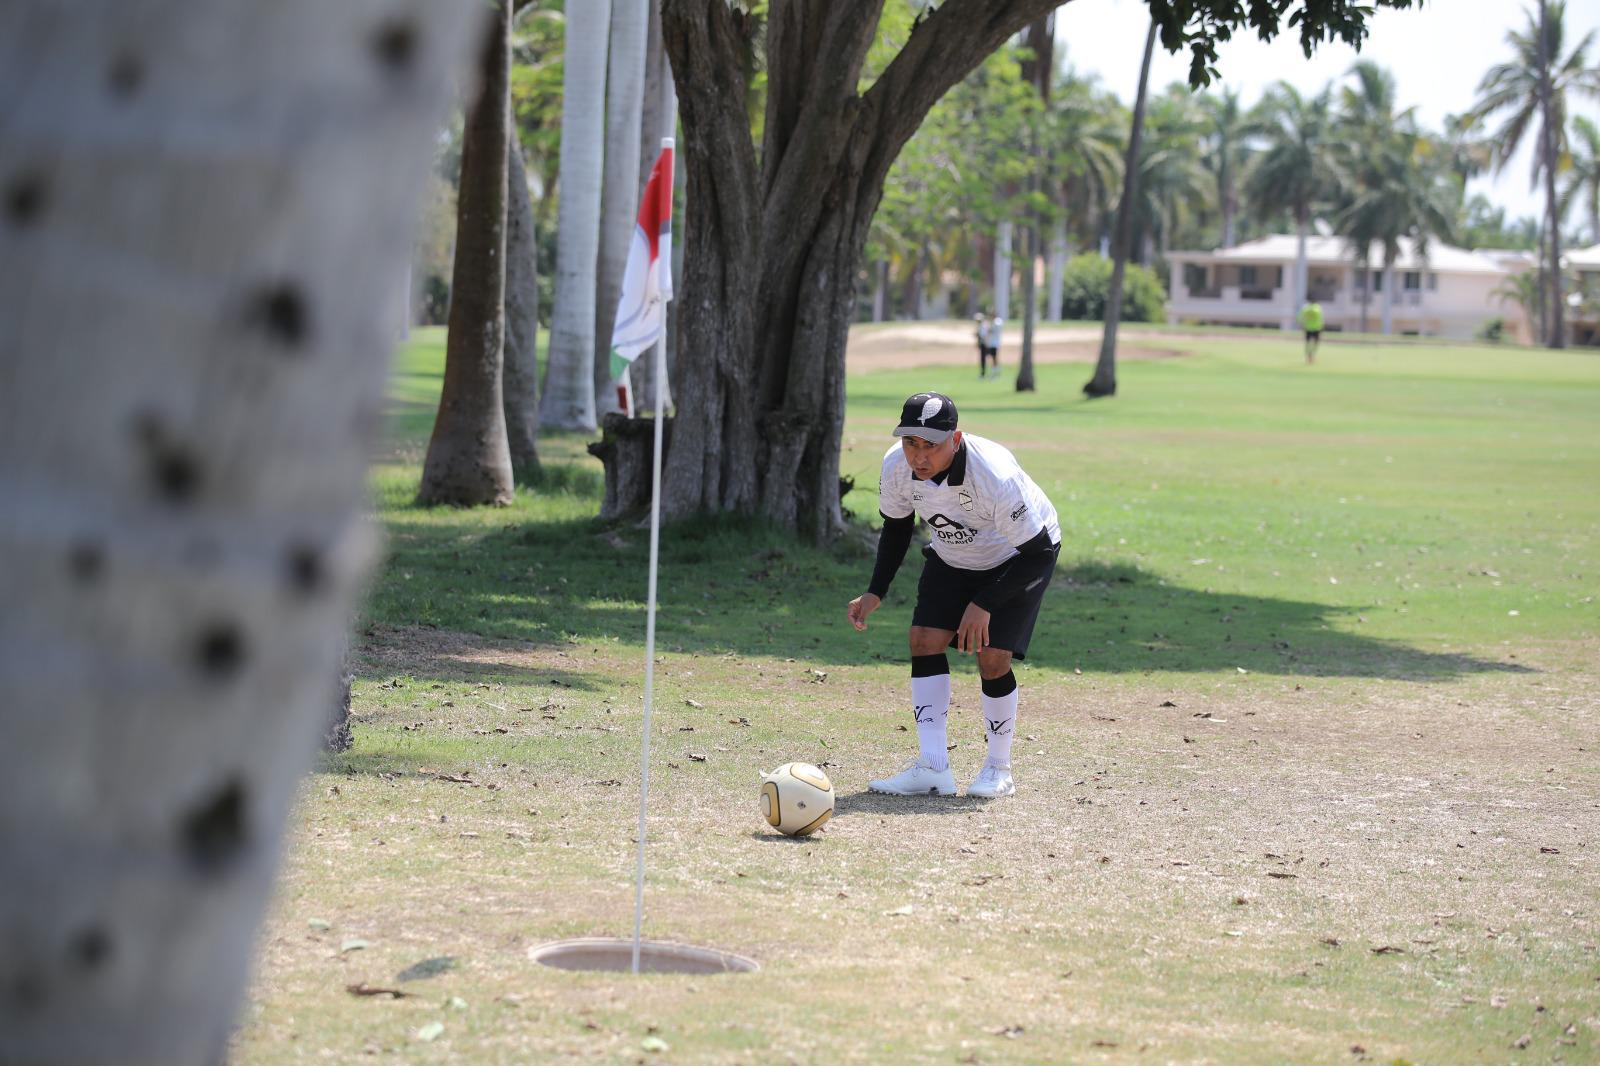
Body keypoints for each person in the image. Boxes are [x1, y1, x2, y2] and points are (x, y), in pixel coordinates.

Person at [846, 392, 1061, 799]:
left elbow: (1040, 553)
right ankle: (933, 766)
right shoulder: (896, 465)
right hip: (952, 553)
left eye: (931, 445)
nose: (919, 457)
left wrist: (984, 605)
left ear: (956, 439)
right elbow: (896, 528)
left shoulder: (993, 476)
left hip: (1017, 556)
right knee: (924, 639)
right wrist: (876, 591)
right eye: (911, 443)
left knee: (993, 658)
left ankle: (999, 769)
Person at [1297, 297, 1324, 364]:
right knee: (1316, 342)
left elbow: (1299, 317)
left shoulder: (1305, 308)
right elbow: (1321, 318)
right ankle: (1312, 355)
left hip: (1308, 327)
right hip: (1316, 328)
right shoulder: (1318, 308)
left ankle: (1309, 355)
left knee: (1308, 343)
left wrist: (1301, 324)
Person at [973, 313, 990, 378]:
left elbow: (983, 336)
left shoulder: (983, 326)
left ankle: (984, 374)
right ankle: (983, 373)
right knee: (983, 359)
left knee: (984, 359)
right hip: (983, 344)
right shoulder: (981, 326)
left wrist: (977, 335)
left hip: (985, 345)